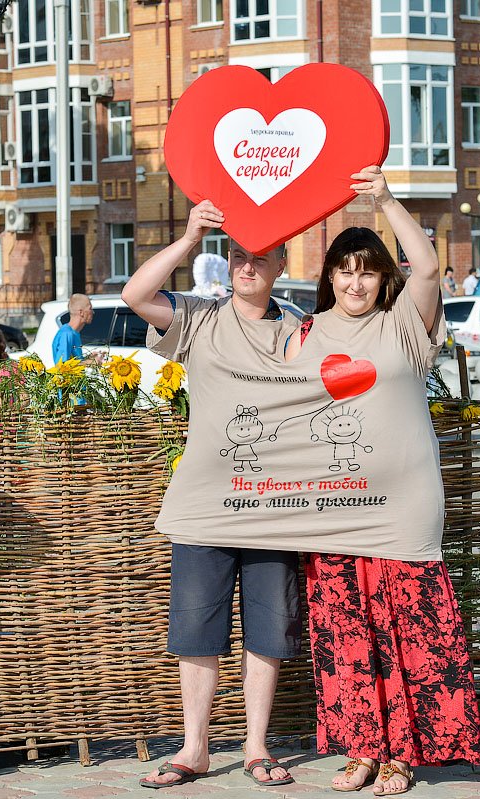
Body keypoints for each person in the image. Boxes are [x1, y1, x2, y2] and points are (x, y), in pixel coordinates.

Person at [284, 166, 480, 794]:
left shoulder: (404, 323)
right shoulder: (306, 334)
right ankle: (361, 750)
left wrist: (388, 201)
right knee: (344, 630)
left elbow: (427, 269)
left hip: (403, 503)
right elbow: (279, 411)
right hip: (334, 506)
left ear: (381, 276)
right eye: (344, 270)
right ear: (329, 277)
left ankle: (404, 756)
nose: (355, 281)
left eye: (367, 270)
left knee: (407, 628)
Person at [122, 202, 302, 789]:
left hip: (276, 504)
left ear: (279, 262)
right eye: (237, 256)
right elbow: (134, 294)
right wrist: (192, 233)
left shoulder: (297, 330)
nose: (246, 265)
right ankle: (193, 748)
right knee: (196, 630)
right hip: (204, 503)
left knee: (268, 630)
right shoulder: (198, 317)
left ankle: (255, 747)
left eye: (258, 257)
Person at [52, 294, 103, 364]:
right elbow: (62, 366)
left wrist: (89, 357)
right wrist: (90, 362)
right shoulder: (66, 334)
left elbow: (73, 362)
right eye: (90, 308)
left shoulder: (74, 333)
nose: (93, 312)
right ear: (81, 312)